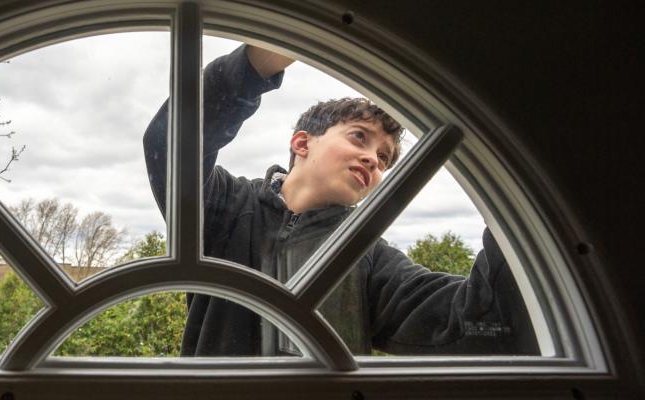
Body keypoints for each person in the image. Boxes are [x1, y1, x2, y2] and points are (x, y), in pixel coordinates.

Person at [144, 44, 539, 356]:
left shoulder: (369, 256)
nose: (373, 158)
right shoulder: (228, 205)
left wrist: (510, 197)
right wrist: (254, 64)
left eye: (384, 158)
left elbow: (473, 322)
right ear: (301, 142)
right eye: (359, 137)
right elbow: (168, 142)